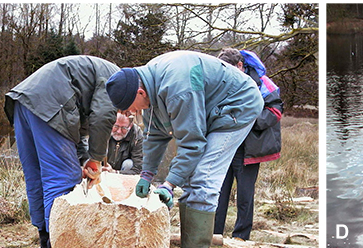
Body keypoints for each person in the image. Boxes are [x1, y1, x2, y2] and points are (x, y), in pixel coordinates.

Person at [105, 50, 263, 248]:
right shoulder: (149, 84)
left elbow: (192, 144)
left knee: (203, 179)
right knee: (191, 179)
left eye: (131, 108)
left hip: (239, 105)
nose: (133, 113)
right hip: (213, 109)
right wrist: (146, 174)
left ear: (140, 93)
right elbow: (155, 134)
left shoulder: (178, 88)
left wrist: (169, 185)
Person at [3, 55, 120, 248]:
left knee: (37, 176)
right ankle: (57, 241)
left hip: (23, 102)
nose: (129, 113)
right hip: (50, 104)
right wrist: (96, 159)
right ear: (137, 91)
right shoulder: (117, 78)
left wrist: (84, 159)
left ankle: (44, 236)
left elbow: (75, 131)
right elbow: (103, 116)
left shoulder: (94, 75)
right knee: (64, 180)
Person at [213, 48, 283, 241]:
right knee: (219, 193)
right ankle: (215, 235)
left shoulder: (264, 84)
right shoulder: (222, 80)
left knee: (245, 196)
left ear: (240, 66)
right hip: (226, 146)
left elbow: (275, 112)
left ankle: (241, 238)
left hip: (250, 148)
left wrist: (249, 120)